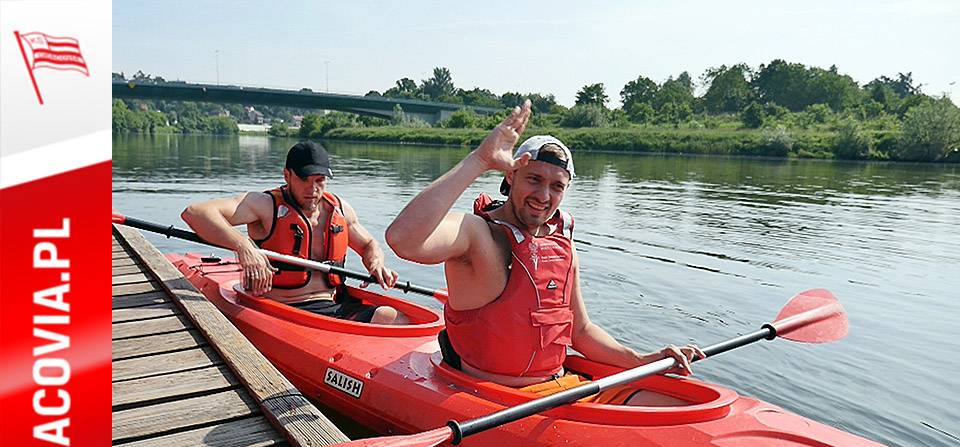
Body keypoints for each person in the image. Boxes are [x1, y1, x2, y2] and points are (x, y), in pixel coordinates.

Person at [386, 100, 703, 391]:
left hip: (555, 388)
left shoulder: (561, 242)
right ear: (511, 176)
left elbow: (581, 332)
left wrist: (644, 361)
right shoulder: (476, 233)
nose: (543, 196)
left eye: (556, 186)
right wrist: (480, 160)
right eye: (534, 179)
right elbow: (403, 239)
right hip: (488, 399)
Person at [182, 141, 404, 324]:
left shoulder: (339, 209)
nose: (313, 189)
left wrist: (376, 264)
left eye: (319, 181)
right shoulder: (264, 205)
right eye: (304, 180)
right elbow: (195, 213)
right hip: (284, 310)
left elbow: (368, 245)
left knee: (398, 319)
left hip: (336, 305)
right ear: (287, 175)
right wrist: (243, 245)